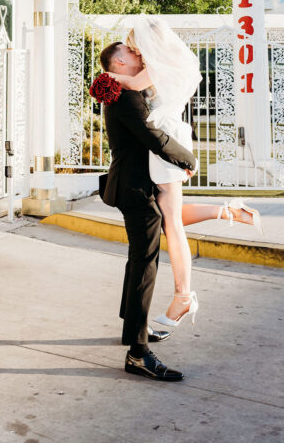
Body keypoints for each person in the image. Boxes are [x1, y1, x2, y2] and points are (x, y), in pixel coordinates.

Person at [108, 16, 262, 331]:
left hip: (166, 135)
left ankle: (183, 295)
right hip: (170, 131)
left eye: (136, 45)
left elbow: (134, 85)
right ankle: (228, 211)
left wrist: (105, 76)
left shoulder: (158, 64)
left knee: (172, 224)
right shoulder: (171, 60)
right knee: (168, 215)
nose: (137, 51)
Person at [98, 40, 196, 383]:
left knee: (138, 261)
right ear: (119, 61)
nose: (138, 54)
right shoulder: (124, 96)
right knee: (145, 265)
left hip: (134, 184)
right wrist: (188, 158)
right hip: (136, 189)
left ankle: (134, 329)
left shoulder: (123, 90)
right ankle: (137, 354)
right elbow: (152, 136)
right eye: (131, 51)